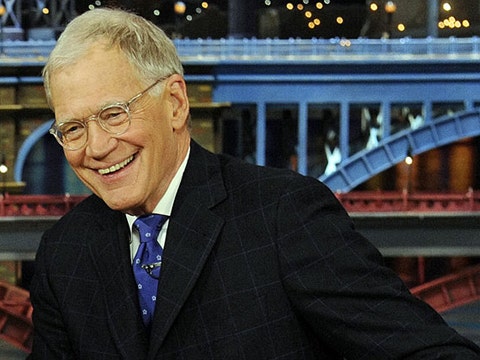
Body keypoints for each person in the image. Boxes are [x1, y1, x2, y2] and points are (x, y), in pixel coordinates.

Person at [28, 8, 480, 360]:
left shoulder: (283, 215)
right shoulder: (64, 252)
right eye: (73, 129)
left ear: (175, 104)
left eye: (113, 114)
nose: (97, 146)